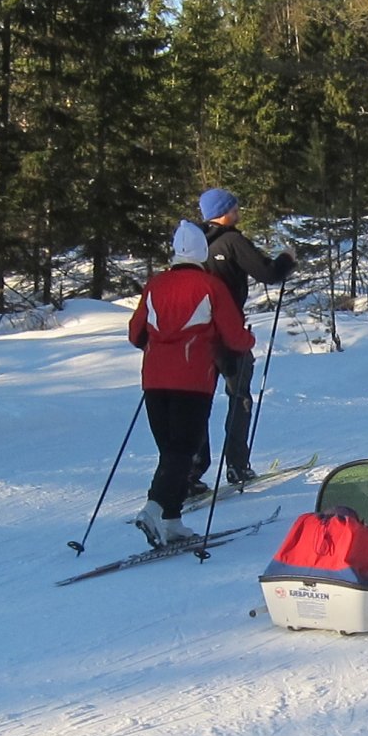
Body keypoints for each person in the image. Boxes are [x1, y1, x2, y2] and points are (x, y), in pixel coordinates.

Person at [127, 221, 255, 546]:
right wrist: (249, 338)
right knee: (183, 450)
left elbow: (135, 334)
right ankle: (153, 508)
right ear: (201, 252)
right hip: (192, 380)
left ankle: (171, 521)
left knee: (170, 450)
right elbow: (235, 336)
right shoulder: (210, 286)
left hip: (154, 380)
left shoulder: (155, 285)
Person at [196, 188, 297, 489]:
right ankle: (237, 465)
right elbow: (267, 273)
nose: (239, 211)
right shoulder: (233, 240)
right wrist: (286, 260)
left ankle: (191, 472)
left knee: (199, 403)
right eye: (235, 206)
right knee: (238, 396)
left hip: (198, 336)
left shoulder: (194, 244)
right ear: (226, 210)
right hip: (229, 334)